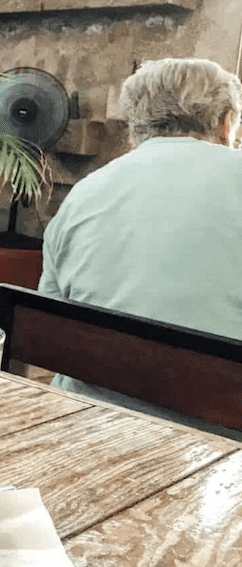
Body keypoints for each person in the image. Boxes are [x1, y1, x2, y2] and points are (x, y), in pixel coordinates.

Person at [38, 57, 242, 435]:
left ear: (136, 126)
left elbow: (49, 322)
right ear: (227, 122)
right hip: (220, 440)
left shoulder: (86, 193)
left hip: (83, 419)